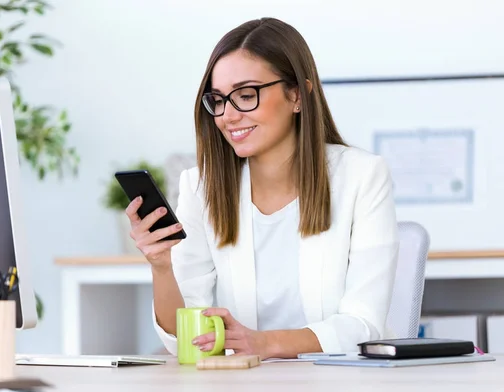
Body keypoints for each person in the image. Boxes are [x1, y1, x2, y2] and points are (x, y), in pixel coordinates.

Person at [125, 17, 399, 359]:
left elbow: (363, 324)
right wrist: (161, 265)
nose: (228, 115)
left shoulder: (362, 176)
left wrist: (265, 343)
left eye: (246, 95)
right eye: (219, 100)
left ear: (297, 94)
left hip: (340, 384)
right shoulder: (200, 187)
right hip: (243, 388)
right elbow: (184, 340)